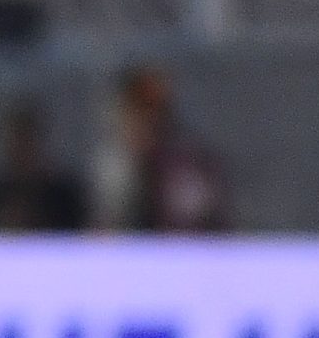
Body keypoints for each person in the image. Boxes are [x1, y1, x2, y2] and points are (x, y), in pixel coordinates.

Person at [99, 65, 230, 233]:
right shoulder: (112, 168)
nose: (150, 118)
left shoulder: (188, 165)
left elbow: (203, 226)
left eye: (157, 109)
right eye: (141, 107)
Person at [0, 98, 86, 232]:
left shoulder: (63, 195)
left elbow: (80, 236)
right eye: (15, 139)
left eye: (26, 138)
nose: (21, 146)